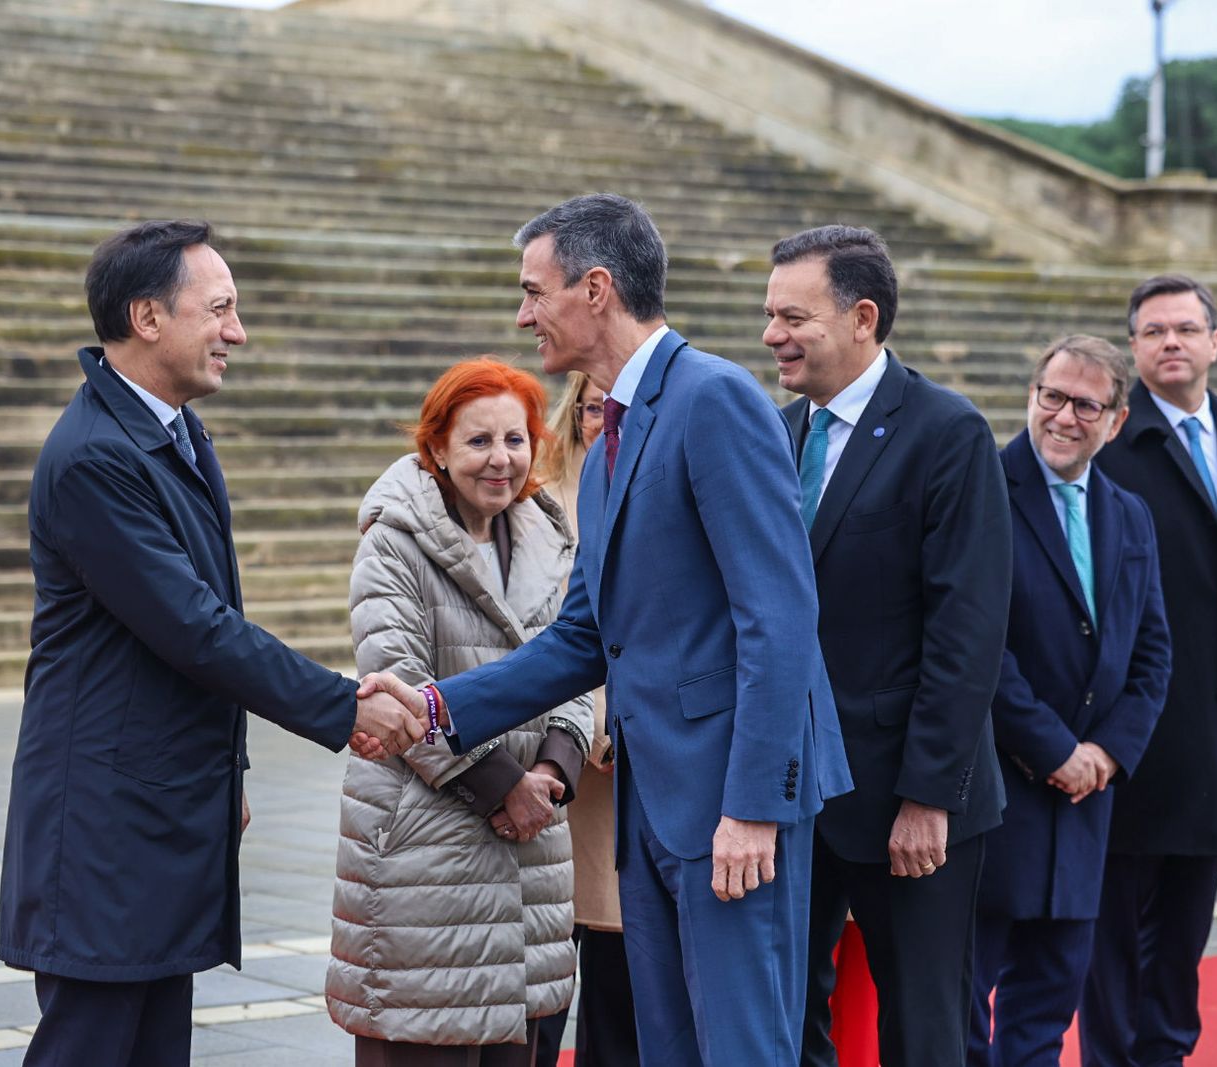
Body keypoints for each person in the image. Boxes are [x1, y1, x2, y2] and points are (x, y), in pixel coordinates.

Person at [364, 192, 853, 1067]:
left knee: (742, 1050)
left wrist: (753, 807)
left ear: (595, 289)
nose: (523, 315)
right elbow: (582, 639)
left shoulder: (714, 399)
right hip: (651, 809)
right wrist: (435, 706)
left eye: (534, 291)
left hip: (732, 809)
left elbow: (780, 620)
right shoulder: (607, 444)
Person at [0, 219, 421, 1067]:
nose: (238, 331)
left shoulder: (172, 433)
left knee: (155, 1044)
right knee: (94, 1042)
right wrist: (345, 706)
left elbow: (202, 623)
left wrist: (230, 772)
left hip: (159, 805)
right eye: (220, 309)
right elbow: (194, 627)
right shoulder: (96, 458)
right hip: (106, 821)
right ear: (147, 317)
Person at [762, 225, 1010, 1067]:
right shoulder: (776, 432)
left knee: (923, 1028)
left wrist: (928, 795)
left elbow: (966, 630)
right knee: (785, 1018)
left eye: (794, 317)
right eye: (770, 314)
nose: (772, 334)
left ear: (862, 317)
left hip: (907, 799)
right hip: (791, 795)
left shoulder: (947, 432)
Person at [327, 358, 593, 1067]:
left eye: (516, 438)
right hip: (426, 844)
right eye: (479, 441)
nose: (501, 459)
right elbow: (398, 689)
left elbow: (578, 659)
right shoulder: (394, 539)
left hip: (533, 843)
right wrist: (505, 786)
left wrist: (553, 772)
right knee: (427, 1038)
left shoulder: (551, 535)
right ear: (438, 448)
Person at [1081, 275, 1217, 1066]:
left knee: (1183, 944)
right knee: (1112, 946)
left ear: (1214, 342)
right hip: (1135, 736)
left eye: (1187, 328)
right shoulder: (1108, 443)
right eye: (1155, 330)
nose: (1172, 342)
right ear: (1133, 346)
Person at [972, 335, 1172, 1067]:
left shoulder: (1130, 513)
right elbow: (977, 646)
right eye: (1052, 396)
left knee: (1046, 1015)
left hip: (1086, 806)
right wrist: (1054, 749)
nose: (1063, 416)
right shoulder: (982, 491)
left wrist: (1108, 753)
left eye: (1086, 405)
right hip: (996, 798)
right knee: (964, 1014)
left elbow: (1153, 652)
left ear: (1116, 422)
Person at [534, 371, 641, 1067]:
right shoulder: (540, 497)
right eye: (593, 409)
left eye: (617, 410)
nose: (604, 423)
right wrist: (592, 722)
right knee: (540, 982)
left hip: (628, 774)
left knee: (619, 979)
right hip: (556, 757)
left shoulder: (652, 484)